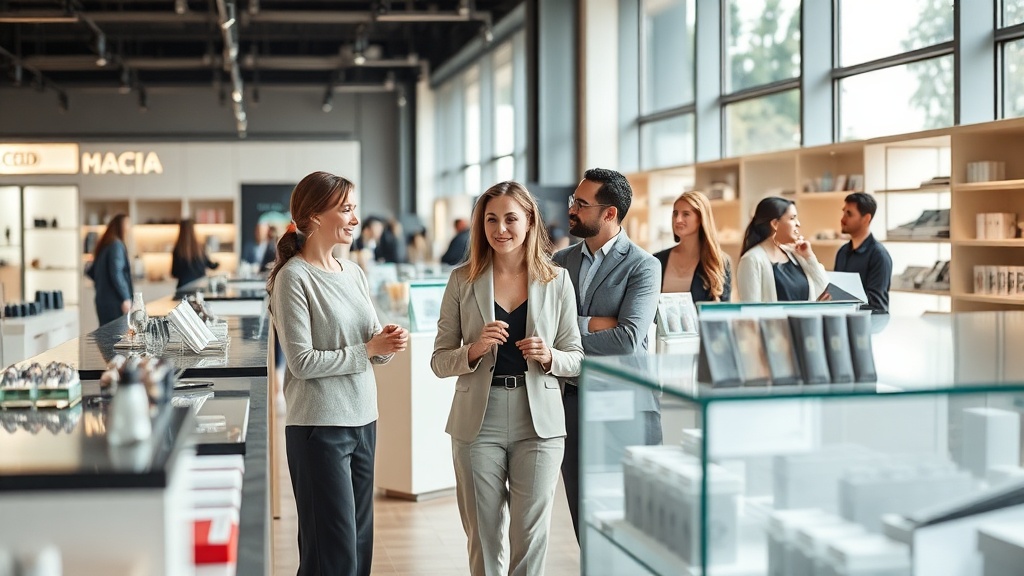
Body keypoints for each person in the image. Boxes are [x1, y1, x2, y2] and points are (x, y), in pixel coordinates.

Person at [431, 181, 583, 576]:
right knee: (482, 535)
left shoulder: (557, 280)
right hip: (478, 421)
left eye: (511, 219)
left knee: (530, 536)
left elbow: (577, 358)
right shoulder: (462, 280)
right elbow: (439, 361)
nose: (501, 229)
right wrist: (475, 349)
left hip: (540, 423)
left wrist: (551, 356)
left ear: (530, 221)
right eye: (491, 219)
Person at [267, 171, 410, 576]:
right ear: (313, 216)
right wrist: (368, 350)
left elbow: (371, 351)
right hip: (318, 428)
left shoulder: (354, 273)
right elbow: (302, 362)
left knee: (359, 547)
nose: (354, 218)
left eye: (354, 209)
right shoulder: (293, 278)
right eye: (345, 209)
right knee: (332, 554)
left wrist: (386, 344)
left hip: (364, 420)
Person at [551, 168, 661, 542]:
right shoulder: (560, 261)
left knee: (632, 515)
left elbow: (628, 338)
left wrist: (569, 335)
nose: (572, 210)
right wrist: (596, 323)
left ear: (609, 213)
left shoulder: (643, 265)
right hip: (572, 401)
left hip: (625, 402)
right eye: (573, 201)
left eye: (581, 204)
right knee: (584, 512)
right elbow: (543, 326)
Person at [737, 196, 830, 302]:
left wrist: (809, 257)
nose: (798, 224)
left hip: (806, 319)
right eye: (792, 218)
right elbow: (750, 309)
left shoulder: (796, 255)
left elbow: (826, 290)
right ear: (775, 224)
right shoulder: (752, 259)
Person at [652, 190, 732, 301]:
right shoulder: (657, 260)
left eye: (686, 214)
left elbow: (724, 312)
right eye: (675, 213)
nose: (678, 219)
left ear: (700, 218)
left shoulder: (719, 262)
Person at [835, 192, 892, 313]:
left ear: (866, 218)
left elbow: (878, 305)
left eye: (849, 214)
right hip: (843, 324)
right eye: (843, 212)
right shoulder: (842, 252)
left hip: (867, 327)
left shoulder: (879, 255)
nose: (843, 219)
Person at [86, 213, 133, 326]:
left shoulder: (104, 244)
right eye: (127, 224)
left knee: (105, 338)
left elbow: (91, 271)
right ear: (120, 226)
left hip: (102, 300)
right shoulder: (116, 245)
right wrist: (125, 297)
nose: (128, 228)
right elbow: (116, 273)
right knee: (118, 339)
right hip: (115, 302)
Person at [170, 219, 220, 290]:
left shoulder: (177, 250)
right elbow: (212, 266)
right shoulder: (200, 249)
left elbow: (174, 273)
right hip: (200, 287)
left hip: (183, 289)